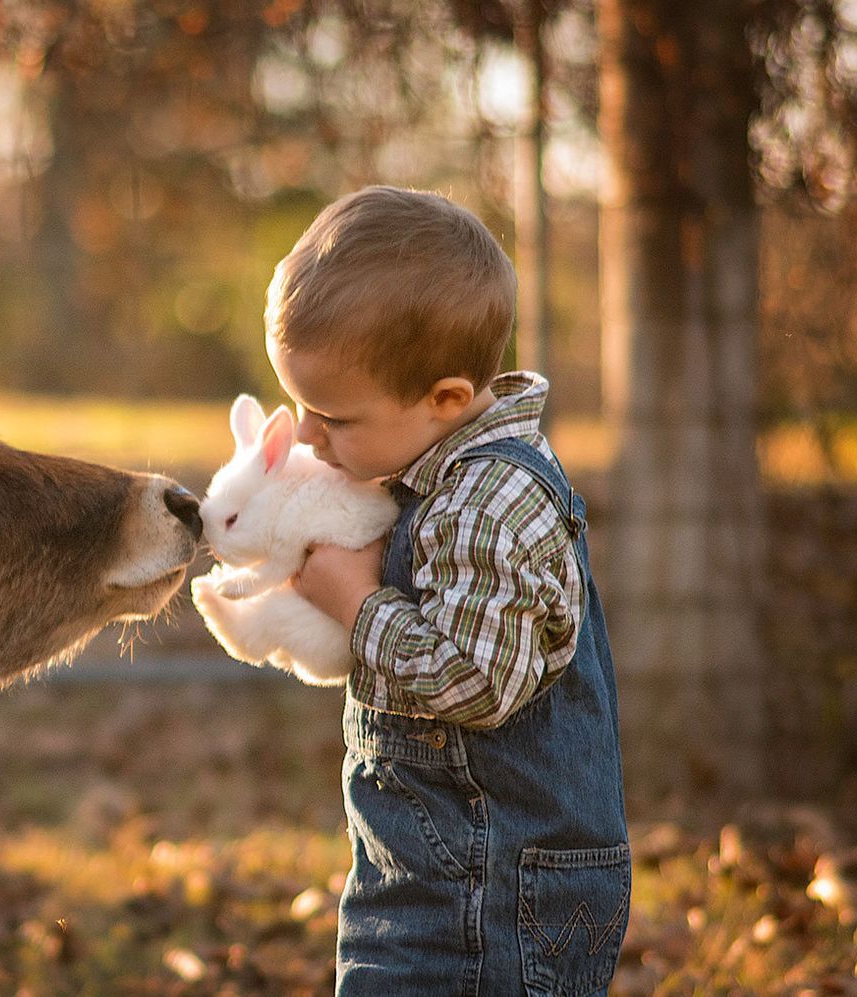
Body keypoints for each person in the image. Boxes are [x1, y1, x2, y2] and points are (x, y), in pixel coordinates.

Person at [264, 185, 630, 995]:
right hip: (436, 871)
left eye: (334, 415)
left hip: (497, 892)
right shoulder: (433, 475)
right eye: (299, 404)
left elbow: (475, 680)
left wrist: (358, 607)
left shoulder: (486, 506)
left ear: (447, 400)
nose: (308, 433)